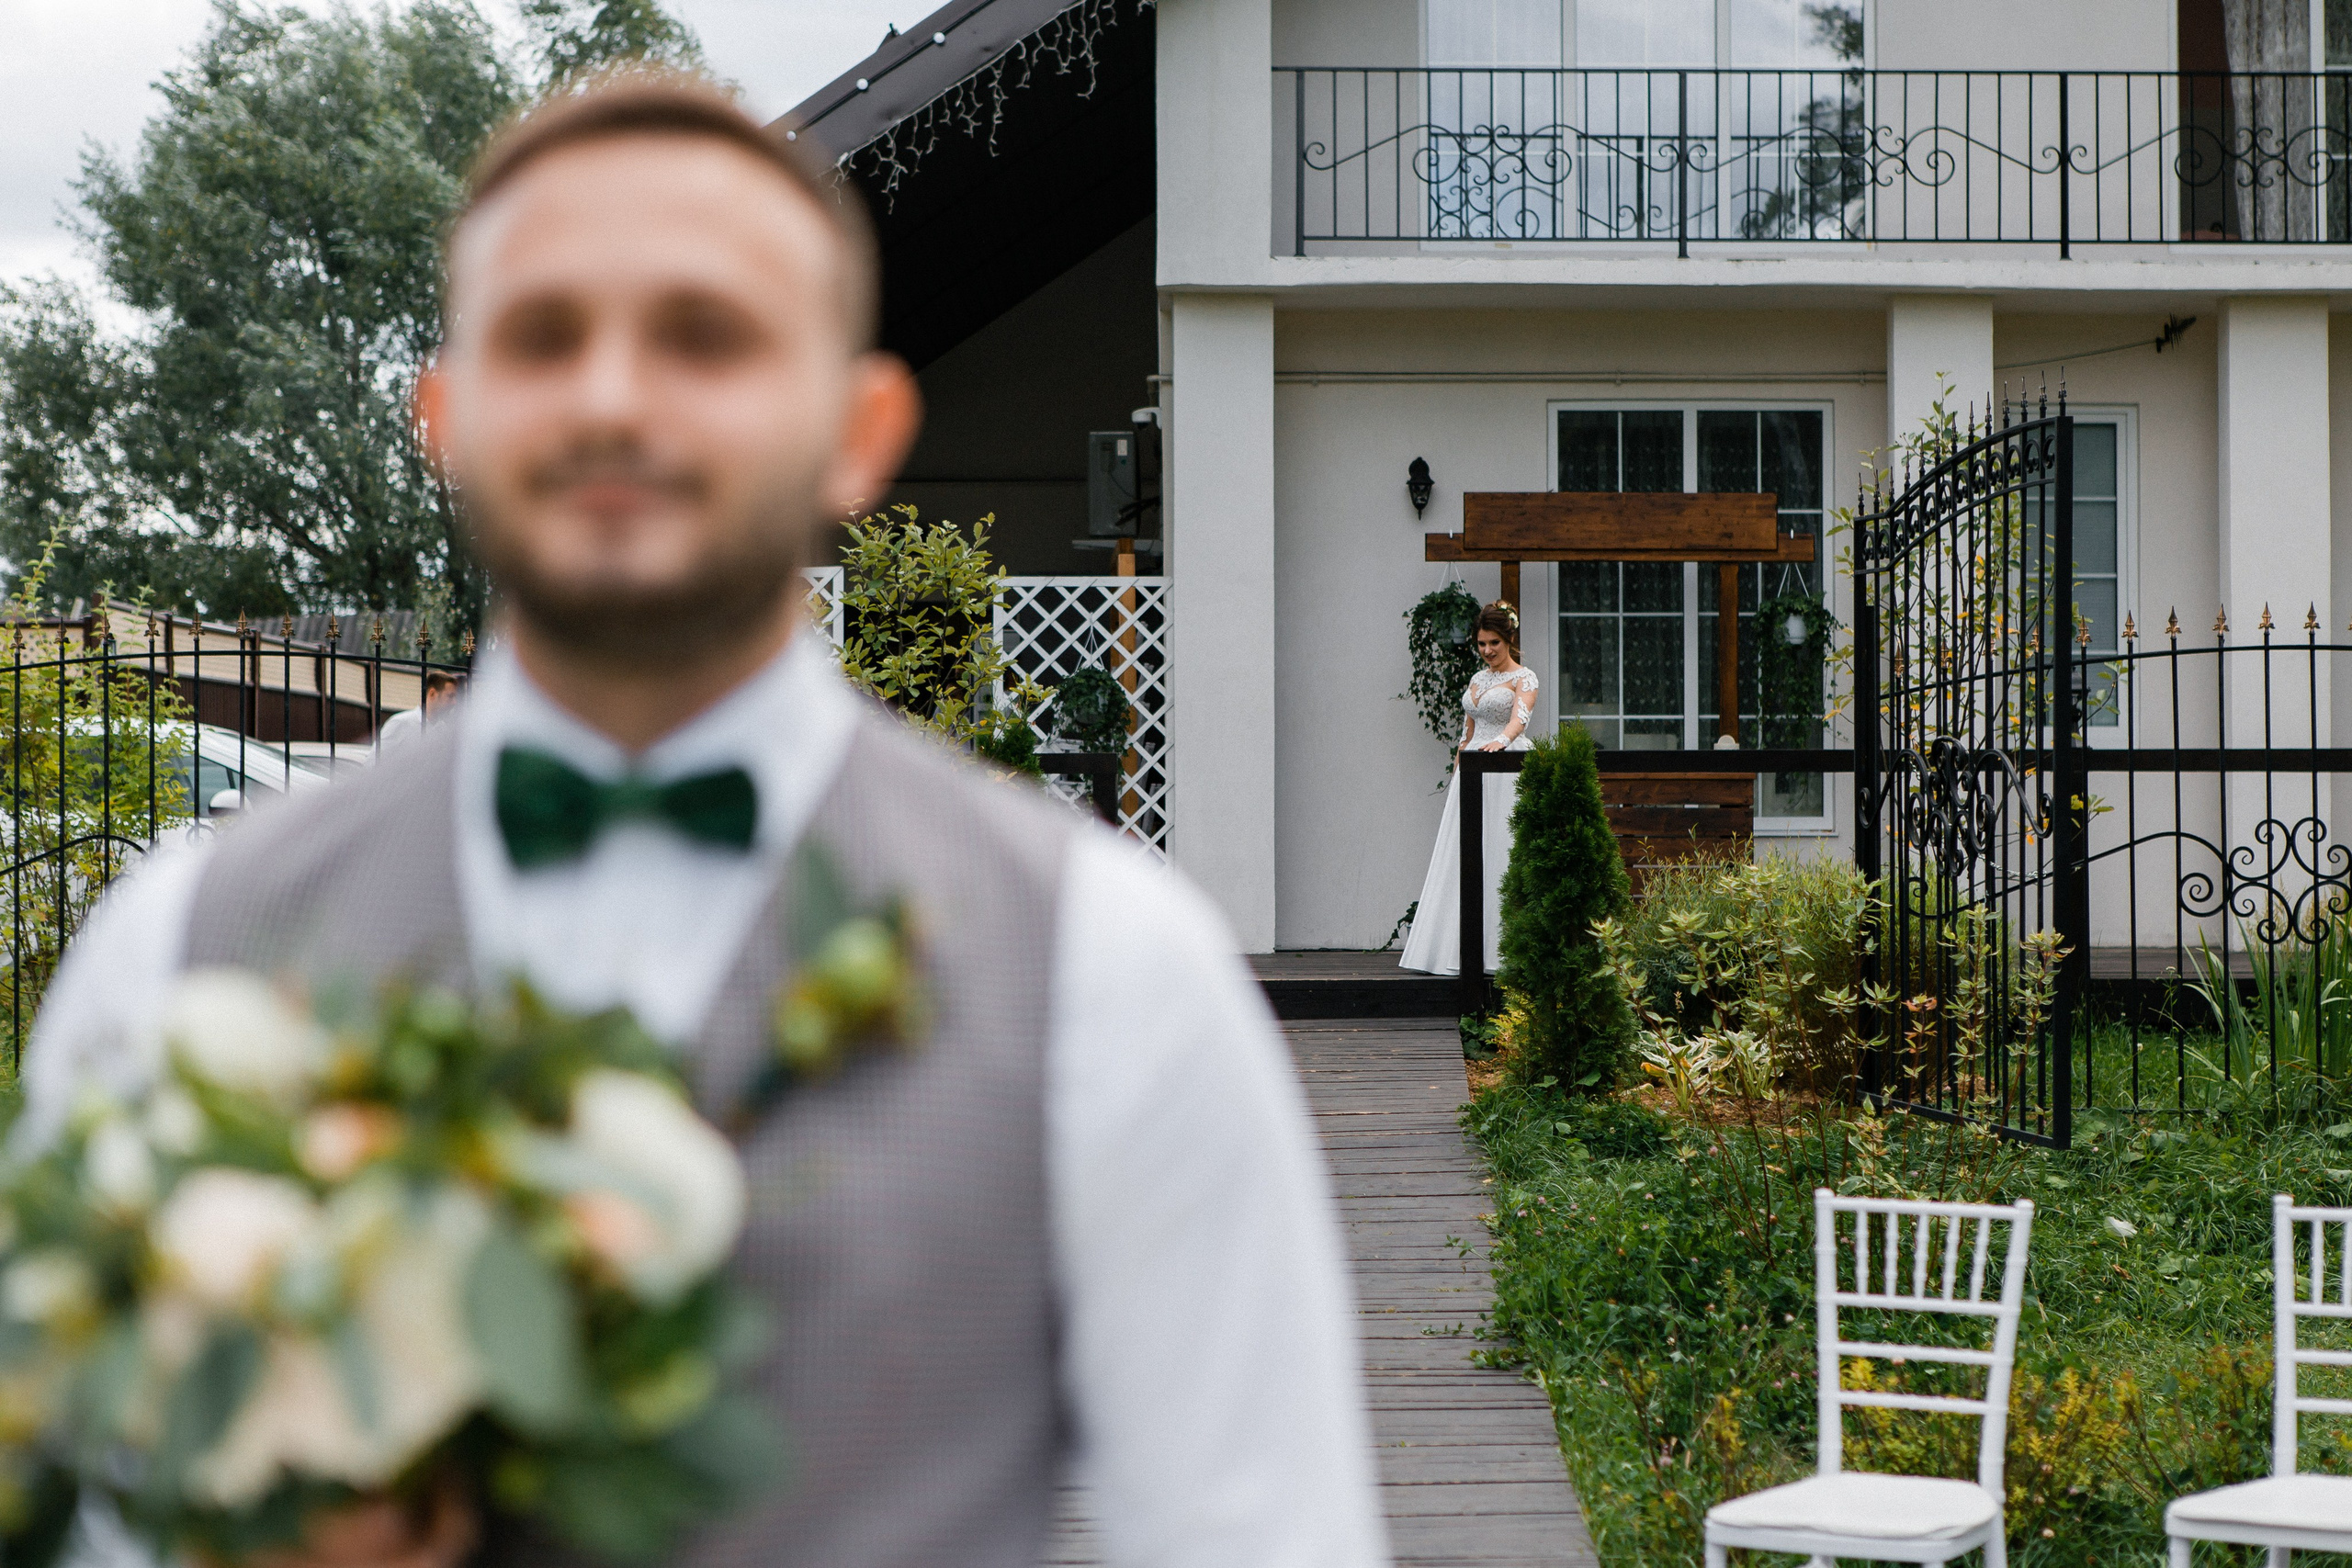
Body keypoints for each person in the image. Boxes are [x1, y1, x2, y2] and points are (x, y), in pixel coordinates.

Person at [22, 71, 1388, 1568]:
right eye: (544, 336)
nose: (614, 397)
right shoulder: (177, 945)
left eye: (705, 335)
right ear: (447, 417)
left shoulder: (1115, 967)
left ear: (860, 429)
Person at [1398, 602, 1536, 976]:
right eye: (1481, 644)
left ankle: (1500, 950)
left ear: (1509, 639)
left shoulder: (1525, 678)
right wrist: (1461, 760)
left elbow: (1519, 719)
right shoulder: (1477, 680)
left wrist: (1501, 743)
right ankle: (1450, 948)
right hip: (1472, 767)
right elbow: (1468, 731)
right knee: (1464, 852)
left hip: (1504, 767)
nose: (1487, 651)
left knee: (1500, 849)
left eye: (1494, 642)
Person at [374, 668, 464, 751]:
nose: (454, 702)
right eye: (450, 696)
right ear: (432, 694)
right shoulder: (401, 723)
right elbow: (374, 761)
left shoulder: (444, 730)